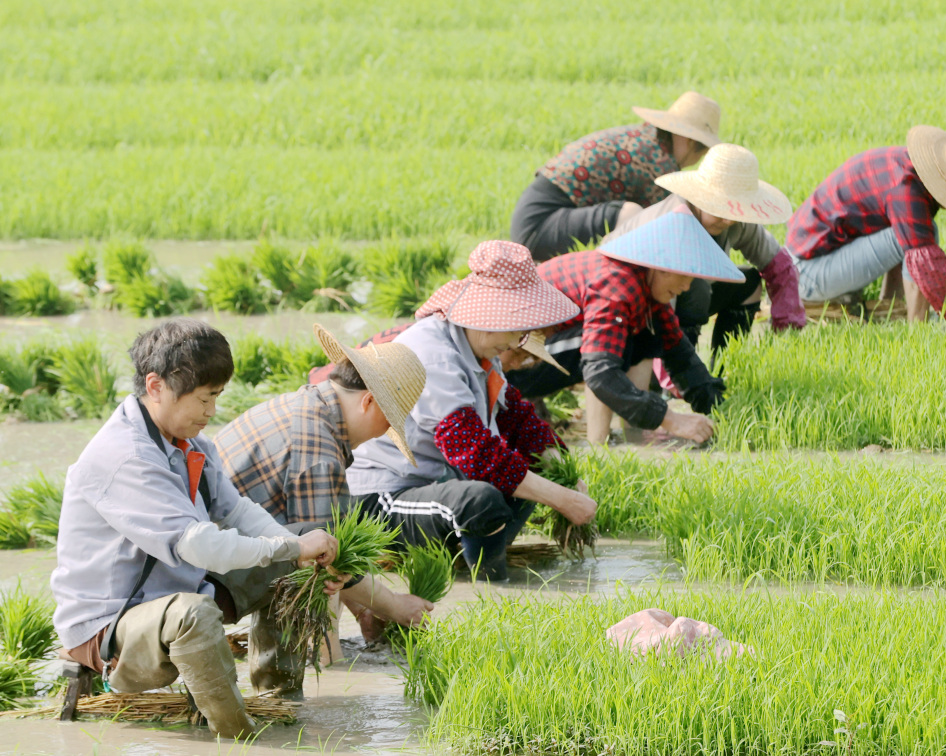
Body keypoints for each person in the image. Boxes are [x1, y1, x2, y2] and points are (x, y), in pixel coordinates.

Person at [50, 319, 339, 739]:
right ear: (156, 386)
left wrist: (296, 546)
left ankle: (280, 699)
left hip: (175, 594)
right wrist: (287, 548)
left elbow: (236, 510)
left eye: (217, 397)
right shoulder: (126, 457)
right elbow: (199, 546)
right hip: (113, 627)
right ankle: (242, 736)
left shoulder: (189, 444)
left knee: (294, 555)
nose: (211, 411)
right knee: (194, 613)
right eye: (204, 399)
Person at [346, 241, 596, 582]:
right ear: (490, 316)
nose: (519, 341)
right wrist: (561, 499)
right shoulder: (432, 355)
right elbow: (474, 453)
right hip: (384, 496)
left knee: (524, 477)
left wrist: (561, 471)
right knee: (484, 498)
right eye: (518, 328)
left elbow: (516, 418)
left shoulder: (479, 347)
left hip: (434, 486)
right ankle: (491, 586)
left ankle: (459, 566)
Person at [214, 324, 432, 664]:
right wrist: (395, 607)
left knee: (321, 554)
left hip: (212, 551)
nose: (382, 434)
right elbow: (323, 558)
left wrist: (362, 607)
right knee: (319, 563)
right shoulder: (318, 450)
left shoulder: (308, 406)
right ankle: (322, 674)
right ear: (369, 401)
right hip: (205, 575)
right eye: (388, 423)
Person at [507, 208, 742, 446]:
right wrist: (669, 419)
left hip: (546, 352)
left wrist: (721, 412)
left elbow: (679, 354)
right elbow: (600, 372)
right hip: (511, 362)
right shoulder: (617, 284)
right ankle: (599, 447)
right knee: (604, 349)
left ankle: (632, 437)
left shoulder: (647, 287)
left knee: (645, 337)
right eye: (684, 276)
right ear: (660, 266)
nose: (686, 287)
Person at [783, 125, 946, 322]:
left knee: (911, 233)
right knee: (919, 238)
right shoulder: (908, 190)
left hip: (807, 260)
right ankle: (917, 330)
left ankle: (892, 305)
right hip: (805, 273)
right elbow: (931, 275)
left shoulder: (909, 168)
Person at [602, 143, 804, 361]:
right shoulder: (673, 224)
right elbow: (659, 307)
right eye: (721, 208)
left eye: (735, 210)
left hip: (674, 296)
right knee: (695, 289)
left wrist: (787, 328)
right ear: (700, 197)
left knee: (748, 283)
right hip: (628, 307)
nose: (729, 219)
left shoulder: (736, 221)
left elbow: (779, 266)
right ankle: (676, 377)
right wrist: (675, 371)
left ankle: (727, 369)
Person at [511, 91, 721, 261]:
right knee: (636, 218)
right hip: (539, 229)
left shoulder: (649, 140)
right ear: (693, 143)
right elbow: (671, 228)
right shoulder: (658, 163)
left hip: (535, 220)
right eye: (701, 153)